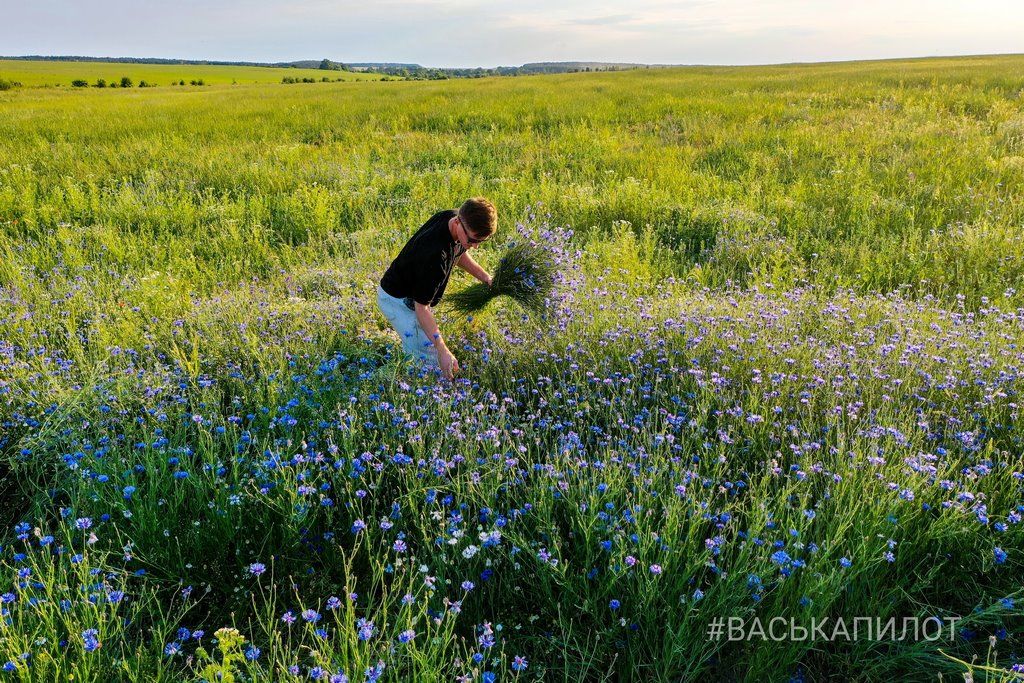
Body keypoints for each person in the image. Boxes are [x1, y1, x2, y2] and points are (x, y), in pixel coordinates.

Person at [377, 197, 496, 379]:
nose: (476, 246)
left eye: (481, 241)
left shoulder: (452, 219)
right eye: (473, 240)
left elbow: (459, 253)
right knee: (431, 362)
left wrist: (485, 277)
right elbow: (421, 308)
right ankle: (389, 379)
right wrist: (442, 350)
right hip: (397, 302)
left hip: (407, 296)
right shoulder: (435, 258)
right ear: (458, 222)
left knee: (425, 347)